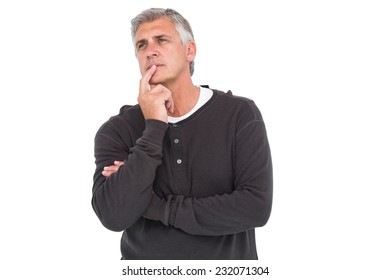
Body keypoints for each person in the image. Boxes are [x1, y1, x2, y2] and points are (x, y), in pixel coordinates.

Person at [91, 7, 273, 260]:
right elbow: (113, 216)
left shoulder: (239, 114)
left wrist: (157, 207)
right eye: (141, 45)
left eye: (161, 40)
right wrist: (154, 125)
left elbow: (255, 208)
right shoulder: (117, 129)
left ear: (190, 51)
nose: (150, 51)